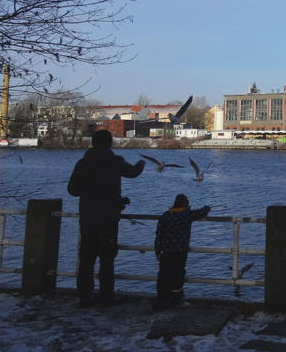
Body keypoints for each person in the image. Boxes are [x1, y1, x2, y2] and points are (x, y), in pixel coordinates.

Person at [67, 130, 146, 308]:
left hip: (87, 219)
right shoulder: (115, 161)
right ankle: (106, 297)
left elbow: (72, 190)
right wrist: (142, 162)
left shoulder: (82, 163)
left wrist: (88, 191)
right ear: (109, 143)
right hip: (108, 219)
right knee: (107, 260)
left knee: (86, 260)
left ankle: (84, 295)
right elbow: (133, 172)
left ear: (93, 143)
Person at [153, 194, 211, 308]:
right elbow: (200, 212)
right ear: (186, 204)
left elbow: (159, 234)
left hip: (166, 251)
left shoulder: (165, 216)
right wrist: (207, 208)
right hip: (180, 250)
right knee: (178, 272)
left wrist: (157, 251)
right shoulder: (187, 214)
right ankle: (176, 296)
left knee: (164, 274)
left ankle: (162, 297)